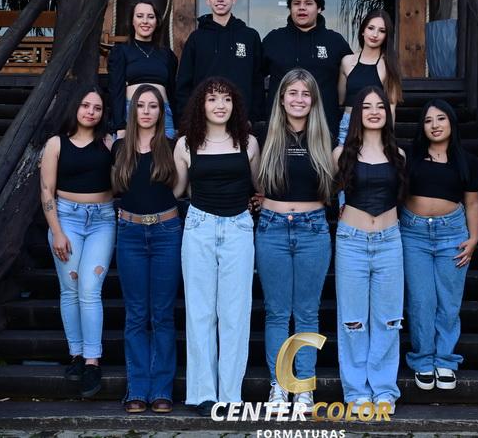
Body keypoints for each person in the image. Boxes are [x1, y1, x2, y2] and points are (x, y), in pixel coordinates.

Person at [173, 77, 260, 416]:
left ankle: (230, 395)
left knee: (235, 314)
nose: (220, 105)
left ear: (235, 104)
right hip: (199, 227)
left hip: (238, 227)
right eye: (212, 99)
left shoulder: (248, 143)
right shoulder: (185, 144)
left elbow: (259, 185)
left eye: (226, 99)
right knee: (200, 313)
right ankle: (202, 394)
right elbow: (178, 190)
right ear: (201, 105)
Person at [255, 68, 335, 412]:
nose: (299, 100)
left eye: (305, 94)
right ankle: (279, 385)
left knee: (306, 312)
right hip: (271, 228)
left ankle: (303, 386)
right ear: (282, 98)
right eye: (293, 93)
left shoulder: (324, 137)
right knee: (276, 312)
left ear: (313, 100)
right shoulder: (266, 135)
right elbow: (254, 181)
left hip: (313, 229)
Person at [332, 86, 406, 415]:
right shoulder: (341, 154)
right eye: (367, 106)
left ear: (387, 114)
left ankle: (384, 389)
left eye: (380, 106)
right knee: (352, 320)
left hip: (390, 240)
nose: (374, 111)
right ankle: (356, 391)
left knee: (388, 319)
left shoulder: (398, 155)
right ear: (357, 114)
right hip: (351, 241)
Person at [111, 85, 183, 414]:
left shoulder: (172, 146)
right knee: (137, 314)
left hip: (166, 232)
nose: (146, 111)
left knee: (162, 314)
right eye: (141, 105)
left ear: (161, 112)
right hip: (130, 233)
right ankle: (138, 389)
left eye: (153, 106)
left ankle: (162, 390)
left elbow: (179, 189)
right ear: (133, 110)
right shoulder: (119, 147)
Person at [40, 86, 115, 399]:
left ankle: (92, 360)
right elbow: (47, 190)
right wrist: (56, 231)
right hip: (66, 219)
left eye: (97, 108)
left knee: (89, 287)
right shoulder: (56, 144)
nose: (90, 112)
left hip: (102, 220)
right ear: (75, 108)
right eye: (85, 105)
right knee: (70, 288)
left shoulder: (109, 142)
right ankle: (76, 354)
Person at [402, 98, 478, 391]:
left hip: (453, 235)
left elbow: (472, 203)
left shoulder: (467, 161)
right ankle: (423, 359)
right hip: (413, 235)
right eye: (428, 120)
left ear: (451, 122)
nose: (434, 125)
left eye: (440, 119)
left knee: (449, 301)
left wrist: (474, 238)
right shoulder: (409, 157)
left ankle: (445, 360)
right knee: (421, 300)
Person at [262, 0, 352, 135]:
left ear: (319, 8)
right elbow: (254, 78)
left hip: (324, 129)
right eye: (296, 3)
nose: (302, 8)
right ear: (290, 7)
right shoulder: (274, 40)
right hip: (280, 130)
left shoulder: (335, 42)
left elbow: (353, 81)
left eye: (308, 3)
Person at [175, 0, 263, 124]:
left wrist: (253, 118)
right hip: (204, 120)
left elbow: (257, 82)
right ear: (207, 0)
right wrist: (187, 119)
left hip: (241, 121)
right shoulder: (196, 38)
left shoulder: (250, 36)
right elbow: (184, 83)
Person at [109, 0, 179, 138]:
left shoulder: (167, 54)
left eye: (150, 17)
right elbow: (115, 89)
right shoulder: (121, 51)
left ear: (157, 22)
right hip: (131, 112)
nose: (145, 21)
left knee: (165, 151)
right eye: (140, 16)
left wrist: (177, 123)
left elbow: (172, 90)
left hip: (163, 112)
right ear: (132, 21)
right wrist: (119, 125)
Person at [337, 9, 402, 145]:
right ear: (363, 31)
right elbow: (341, 100)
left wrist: (388, 141)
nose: (375, 34)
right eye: (371, 28)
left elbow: (391, 107)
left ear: (386, 36)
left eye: (382, 31)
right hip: (348, 125)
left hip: (374, 128)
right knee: (341, 158)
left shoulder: (388, 65)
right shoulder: (347, 61)